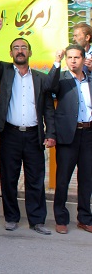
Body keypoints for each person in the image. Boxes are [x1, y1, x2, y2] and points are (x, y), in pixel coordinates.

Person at [0, 19, 59, 234]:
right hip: (10, 134)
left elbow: (48, 109)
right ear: (11, 53)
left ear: (30, 52)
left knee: (35, 179)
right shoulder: (5, 72)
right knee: (9, 178)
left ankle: (37, 220)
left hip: (34, 136)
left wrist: (50, 133)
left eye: (23, 47)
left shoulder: (40, 78)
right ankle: (11, 217)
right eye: (16, 48)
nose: (20, 51)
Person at [50, 44, 92, 234]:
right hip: (68, 135)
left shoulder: (90, 79)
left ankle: (84, 218)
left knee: (87, 179)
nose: (73, 61)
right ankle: (61, 218)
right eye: (70, 58)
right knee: (63, 179)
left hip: (88, 134)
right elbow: (49, 87)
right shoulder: (62, 79)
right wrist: (56, 62)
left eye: (77, 57)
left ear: (83, 59)